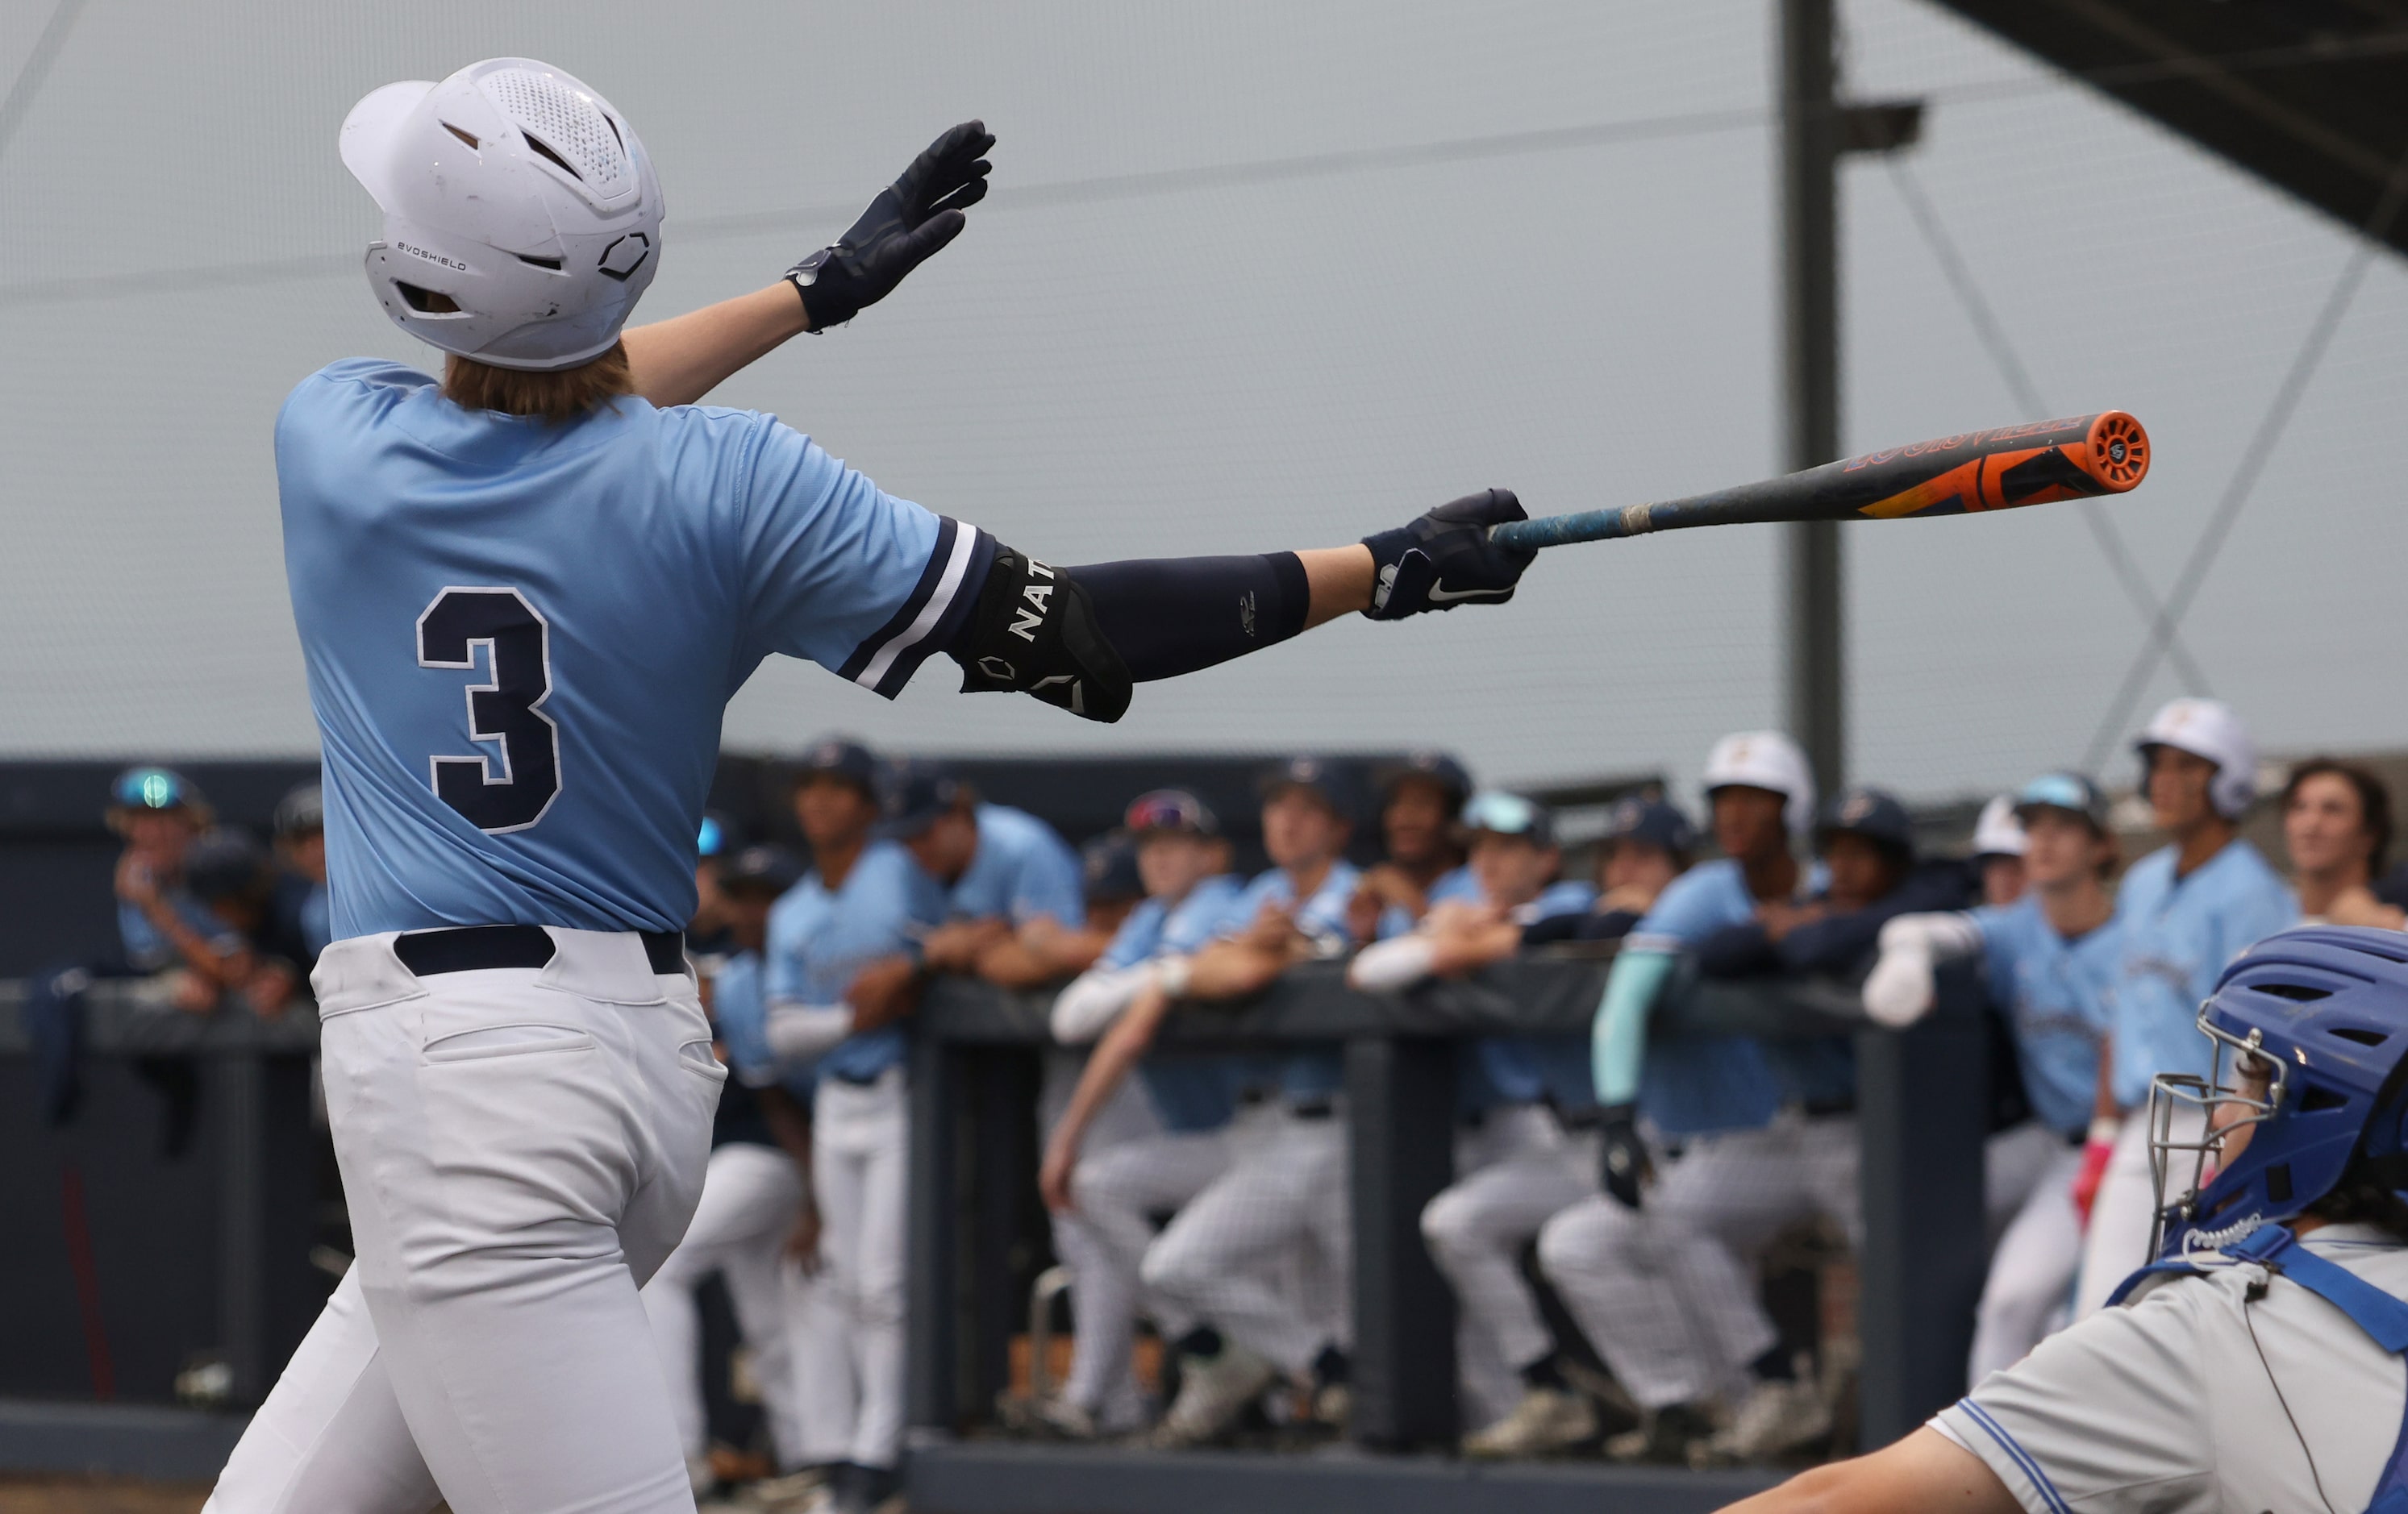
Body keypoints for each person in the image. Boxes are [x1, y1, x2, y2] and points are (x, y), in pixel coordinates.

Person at [216, 56, 1530, 1514]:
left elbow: (547, 406)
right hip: (630, 1066)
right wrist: (1382, 569)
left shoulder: (331, 433)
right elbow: (1083, 634)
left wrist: (809, 294)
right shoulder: (736, 483)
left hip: (462, 1095)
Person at [1712, 925, 2408, 1514]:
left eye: (2250, 1081)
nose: (2221, 1111)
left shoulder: (2207, 1329)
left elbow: (1828, 1503)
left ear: (2324, 1115)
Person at [1536, 732, 1853, 1466]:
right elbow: (1624, 998)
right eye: (1723, 799)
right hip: (1776, 1137)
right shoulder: (1704, 893)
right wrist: (1619, 1114)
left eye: (1755, 799)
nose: (1736, 814)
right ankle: (1736, 1397)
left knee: (1927, 1282)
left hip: (1866, 1126)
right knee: (1646, 1227)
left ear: (1792, 809)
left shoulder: (1836, 883)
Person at [1047, 758, 1366, 1445]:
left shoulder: (1345, 891)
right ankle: (1306, 1370)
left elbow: (1254, 966)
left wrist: (1240, 955)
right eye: (1280, 805)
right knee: (1179, 1263)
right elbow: (1096, 1010)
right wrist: (1210, 963)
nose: (1287, 819)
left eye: (1307, 808)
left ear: (1340, 826)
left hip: (1351, 1128)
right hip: (1265, 1132)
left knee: (1394, 1315)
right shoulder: (1258, 893)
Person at [1348, 793, 1606, 1453]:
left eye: (1511, 847)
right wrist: (1450, 930)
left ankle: (1716, 1407)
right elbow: (1369, 971)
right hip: (1572, 1142)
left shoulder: (1575, 903)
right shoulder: (1472, 908)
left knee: (1637, 1263)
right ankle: (1547, 1390)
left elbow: (1471, 951)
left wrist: (1453, 938)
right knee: (1456, 1224)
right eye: (1482, 847)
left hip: (1642, 1135)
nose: (1490, 861)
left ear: (1547, 857)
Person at [1862, 773, 2123, 1380]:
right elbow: (1934, 929)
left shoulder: (2142, 927)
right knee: (2010, 1303)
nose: (2044, 843)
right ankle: (1973, 1467)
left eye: (2064, 829)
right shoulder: (2018, 927)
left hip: (2149, 1155)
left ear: (2102, 845)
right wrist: (1907, 956)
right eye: (2034, 829)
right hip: (2069, 1154)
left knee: (2092, 1322)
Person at [757, 741, 943, 1514]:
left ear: (869, 805)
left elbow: (938, 957)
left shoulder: (896, 871)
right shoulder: (795, 909)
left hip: (905, 1089)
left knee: (886, 1284)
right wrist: (849, 1016)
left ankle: (878, 1446)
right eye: (810, 788)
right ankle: (853, 1448)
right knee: (844, 1277)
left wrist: (908, 974)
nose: (821, 803)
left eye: (840, 789)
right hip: (838, 1099)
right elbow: (781, 1036)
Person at [2073, 698, 2296, 1319]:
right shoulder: (2144, 881)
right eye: (2157, 766)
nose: (2165, 781)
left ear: (2227, 781)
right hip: (2138, 1123)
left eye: (2186, 767)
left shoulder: (2253, 890)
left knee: (2175, 1311)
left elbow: (2260, 1041)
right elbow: (2119, 1018)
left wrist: (2234, 1147)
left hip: (2207, 1128)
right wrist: (2100, 1137)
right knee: (2097, 1311)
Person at [1036, 790, 1245, 1439]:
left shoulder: (1225, 901)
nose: (1158, 859)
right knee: (1111, 1202)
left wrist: (1156, 975)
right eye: (1149, 848)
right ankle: (1210, 1356)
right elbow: (1072, 1017)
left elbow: (1102, 1009)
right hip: (1218, 1137)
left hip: (1270, 1126)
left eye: (1175, 845)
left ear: (1210, 855)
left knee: (1311, 1290)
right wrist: (1160, 971)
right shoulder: (1153, 918)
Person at [639, 842, 831, 1498]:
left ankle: (684, 1454)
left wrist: (815, 1192)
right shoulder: (673, 940)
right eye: (744, 895)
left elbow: (773, 1094)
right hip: (749, 1154)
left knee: (661, 1267)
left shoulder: (785, 959)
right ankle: (805, 1451)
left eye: (762, 897)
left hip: (770, 1154)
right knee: (769, 1309)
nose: (751, 909)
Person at [1691, 785, 1971, 981]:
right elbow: (1711, 956)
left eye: (1857, 854)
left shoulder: (1925, 895)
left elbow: (1814, 948)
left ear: (1895, 863)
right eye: (1834, 853)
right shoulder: (1819, 905)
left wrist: (1810, 923)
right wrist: (1769, 932)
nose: (1842, 868)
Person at [874, 763, 1088, 989]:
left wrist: (977, 945)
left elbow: (1063, 949)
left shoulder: (1022, 847)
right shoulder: (910, 865)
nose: (916, 849)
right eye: (906, 839)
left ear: (959, 812)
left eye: (925, 834)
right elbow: (913, 950)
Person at [1348, 751, 1475, 942]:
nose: (1404, 819)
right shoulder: (1377, 888)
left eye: (1421, 804)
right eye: (1396, 804)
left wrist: (1405, 897)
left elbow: (1451, 951)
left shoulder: (1479, 884)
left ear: (1452, 819)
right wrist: (1365, 936)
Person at [2282, 756, 2403, 927]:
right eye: (2299, 807)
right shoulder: (2263, 912)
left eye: (2333, 809)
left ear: (2370, 834)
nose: (2311, 823)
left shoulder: (2394, 921)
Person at [272, 782, 334, 969]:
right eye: (302, 839)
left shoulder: (386, 884)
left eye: (323, 832)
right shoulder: (302, 908)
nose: (314, 849)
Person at [1968, 794, 2028, 909]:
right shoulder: (1968, 924)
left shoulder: (2061, 924)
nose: (2005, 879)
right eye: (1996, 865)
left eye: (2017, 867)